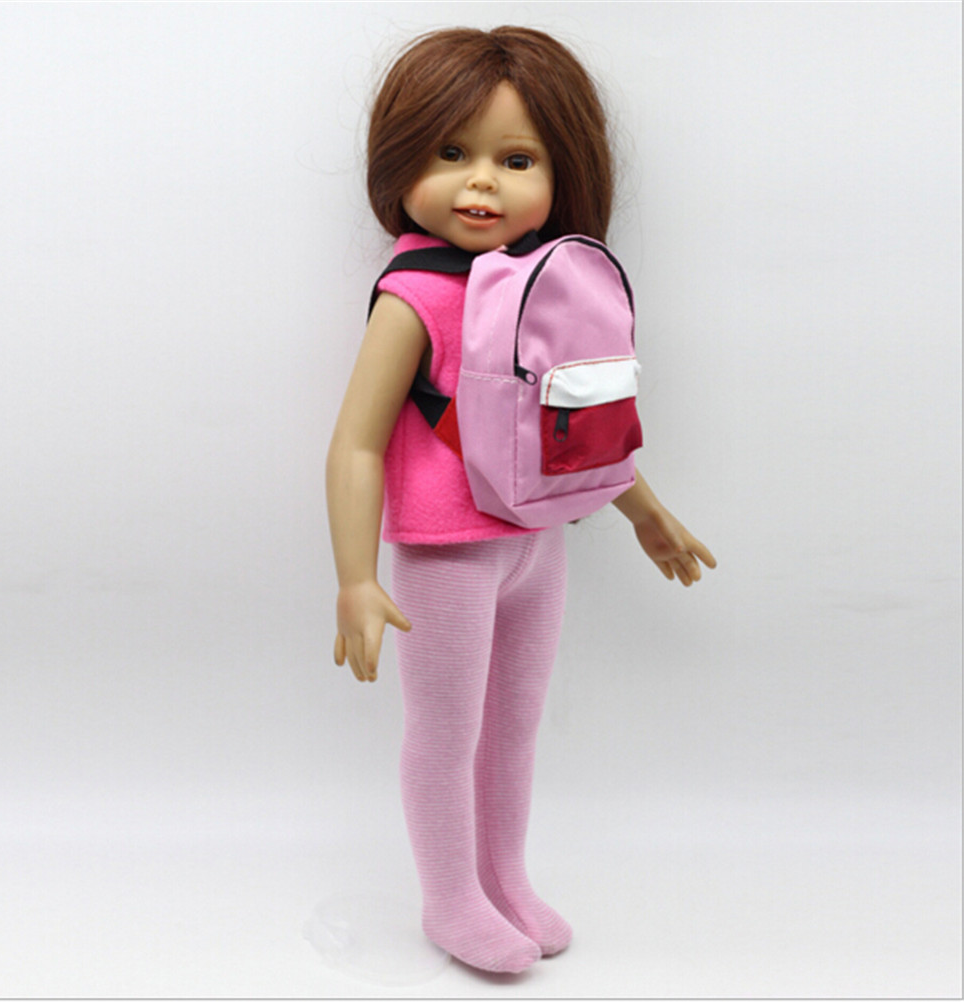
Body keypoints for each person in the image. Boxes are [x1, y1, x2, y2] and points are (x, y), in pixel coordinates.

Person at [326, 26, 716, 974]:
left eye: (516, 159)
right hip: (449, 551)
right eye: (449, 152)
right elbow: (357, 441)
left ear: (560, 171)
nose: (480, 184)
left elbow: (570, 421)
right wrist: (356, 579)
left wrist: (642, 509)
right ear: (401, 162)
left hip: (540, 539)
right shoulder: (414, 294)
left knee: (513, 726)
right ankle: (450, 898)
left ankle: (504, 877)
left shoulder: (549, 281)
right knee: (446, 731)